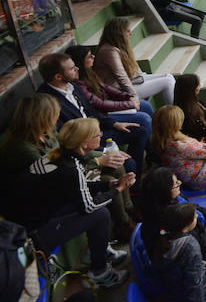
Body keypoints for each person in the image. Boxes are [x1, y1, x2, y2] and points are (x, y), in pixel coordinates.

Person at [19, 119, 132, 288]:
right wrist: (118, 189)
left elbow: (79, 188)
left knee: (99, 195)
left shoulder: (59, 154)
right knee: (100, 214)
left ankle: (96, 250)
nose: (101, 135)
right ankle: (99, 273)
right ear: (85, 143)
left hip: (41, 213)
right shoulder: (71, 167)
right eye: (97, 134)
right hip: (35, 232)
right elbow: (89, 206)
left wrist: (108, 185)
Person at [37, 52, 148, 179]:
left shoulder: (72, 85)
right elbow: (67, 138)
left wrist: (114, 123)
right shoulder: (48, 102)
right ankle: (132, 186)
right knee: (129, 163)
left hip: (97, 130)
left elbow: (91, 112)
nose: (77, 69)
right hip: (84, 143)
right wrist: (104, 152)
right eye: (72, 68)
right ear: (58, 76)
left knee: (140, 131)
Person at [140, 167, 206, 280]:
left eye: (178, 180)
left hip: (196, 239)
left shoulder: (171, 199)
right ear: (164, 191)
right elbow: (199, 243)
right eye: (176, 184)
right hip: (190, 258)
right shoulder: (171, 218)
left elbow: (196, 207)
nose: (179, 184)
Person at [67, 44, 153, 131]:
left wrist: (128, 97)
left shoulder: (89, 73)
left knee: (145, 105)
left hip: (107, 109)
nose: (93, 57)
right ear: (80, 62)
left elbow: (106, 88)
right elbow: (99, 104)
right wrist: (130, 104)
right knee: (144, 119)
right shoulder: (78, 84)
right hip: (101, 116)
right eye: (89, 57)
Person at [94, 16, 176, 106]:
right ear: (119, 33)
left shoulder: (118, 46)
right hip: (119, 90)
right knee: (167, 82)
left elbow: (134, 71)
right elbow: (121, 77)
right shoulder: (109, 51)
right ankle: (175, 114)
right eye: (128, 31)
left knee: (168, 76)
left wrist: (143, 76)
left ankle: (177, 112)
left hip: (131, 81)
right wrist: (133, 96)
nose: (131, 33)